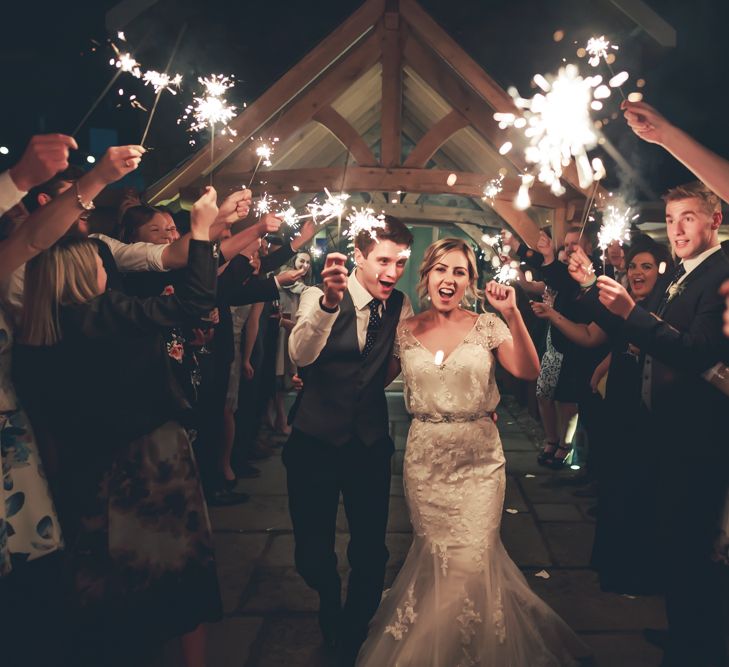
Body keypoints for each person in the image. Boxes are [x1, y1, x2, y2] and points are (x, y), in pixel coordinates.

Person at [15, 187, 223, 667]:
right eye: (101, 263)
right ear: (85, 269)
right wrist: (201, 231)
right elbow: (195, 303)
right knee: (177, 573)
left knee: (109, 585)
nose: (108, 269)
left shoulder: (38, 334)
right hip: (152, 461)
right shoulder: (106, 312)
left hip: (86, 471)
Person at [356, 238, 588, 667]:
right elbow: (369, 376)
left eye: (460, 272)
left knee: (472, 557)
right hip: (425, 461)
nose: (450, 279)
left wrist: (514, 314)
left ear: (470, 281)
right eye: (442, 269)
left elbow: (529, 371)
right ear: (426, 277)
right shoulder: (405, 330)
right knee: (436, 555)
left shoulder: (487, 325)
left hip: (480, 460)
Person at [569, 181, 729, 666]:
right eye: (672, 218)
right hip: (666, 430)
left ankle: (697, 648)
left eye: (689, 218)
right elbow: (634, 329)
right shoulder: (681, 272)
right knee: (676, 545)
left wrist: (634, 312)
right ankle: (682, 635)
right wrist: (586, 287)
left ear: (714, 221)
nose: (678, 229)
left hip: (699, 432)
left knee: (695, 550)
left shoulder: (720, 274)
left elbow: (697, 348)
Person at [0, 140, 142, 667]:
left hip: (13, 439)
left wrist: (94, 180)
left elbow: (34, 239)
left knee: (34, 581)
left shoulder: (17, 257)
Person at [285, 216, 414, 666]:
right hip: (313, 441)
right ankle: (326, 597)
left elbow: (401, 363)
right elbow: (299, 355)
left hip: (369, 442)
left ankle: (354, 630)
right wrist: (328, 304)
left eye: (401, 262)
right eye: (383, 260)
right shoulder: (315, 296)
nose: (393, 272)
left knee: (370, 549)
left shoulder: (400, 304)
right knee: (312, 551)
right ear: (359, 256)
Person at [533, 239, 674, 594]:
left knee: (638, 492)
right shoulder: (628, 306)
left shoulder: (662, 308)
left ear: (661, 270)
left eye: (645, 266)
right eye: (633, 267)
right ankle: (613, 567)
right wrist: (557, 313)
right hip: (619, 405)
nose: (637, 272)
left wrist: (588, 282)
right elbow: (597, 334)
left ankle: (635, 574)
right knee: (615, 485)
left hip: (648, 412)